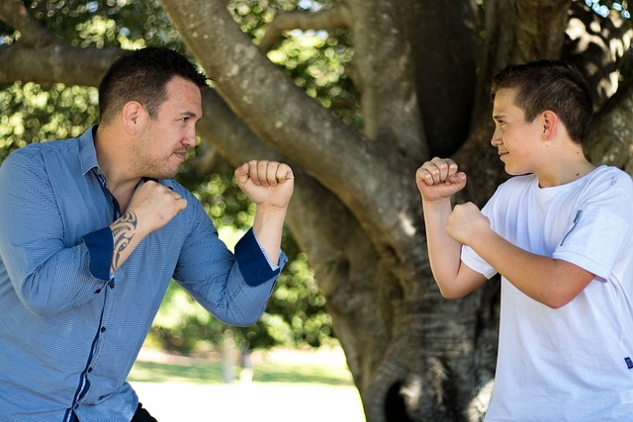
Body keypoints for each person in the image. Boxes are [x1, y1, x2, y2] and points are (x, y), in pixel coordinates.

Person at [0, 47, 294, 421]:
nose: (193, 138)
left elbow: (237, 305)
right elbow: (42, 292)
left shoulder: (180, 209)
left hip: (108, 411)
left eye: (195, 123)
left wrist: (270, 211)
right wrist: (136, 222)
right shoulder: (32, 172)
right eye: (184, 120)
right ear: (135, 116)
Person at [415, 60, 633, 421]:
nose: (493, 138)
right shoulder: (512, 194)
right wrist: (436, 203)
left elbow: (558, 287)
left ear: (546, 123)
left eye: (502, 123)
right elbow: (452, 281)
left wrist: (480, 235)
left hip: (598, 410)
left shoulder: (611, 192)